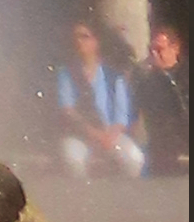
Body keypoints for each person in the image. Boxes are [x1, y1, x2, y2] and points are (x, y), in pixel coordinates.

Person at [53, 18, 144, 179]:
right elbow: (68, 111)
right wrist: (96, 135)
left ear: (96, 41)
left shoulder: (114, 76)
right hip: (80, 135)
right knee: (73, 160)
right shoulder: (67, 74)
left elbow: (121, 115)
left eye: (84, 36)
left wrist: (110, 136)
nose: (79, 41)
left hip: (110, 135)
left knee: (134, 158)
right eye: (76, 37)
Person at [140, 24, 190, 177]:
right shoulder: (147, 79)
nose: (155, 55)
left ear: (175, 48)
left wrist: (166, 77)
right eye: (152, 51)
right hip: (163, 144)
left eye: (159, 50)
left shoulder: (186, 75)